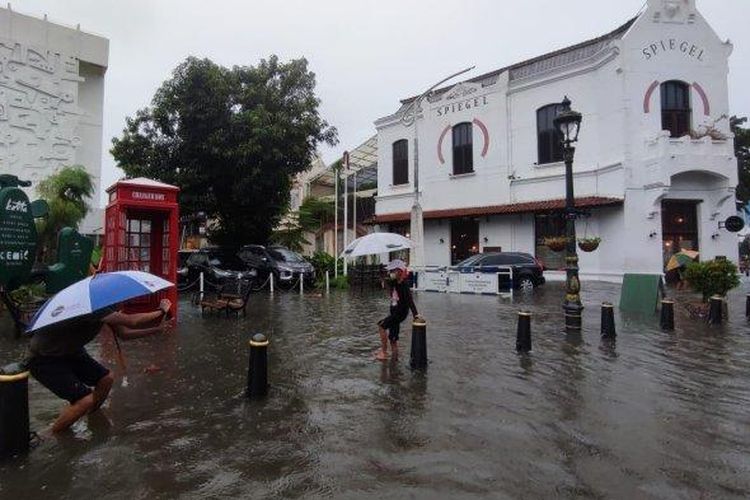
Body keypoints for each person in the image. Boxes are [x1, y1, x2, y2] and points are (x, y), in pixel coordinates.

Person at [27, 299, 173, 433]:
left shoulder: (108, 308)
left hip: (70, 352)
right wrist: (161, 310)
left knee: (106, 379)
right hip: (44, 358)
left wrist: (156, 330)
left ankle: (88, 413)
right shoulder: (94, 306)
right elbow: (131, 321)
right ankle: (52, 435)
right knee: (84, 399)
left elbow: (124, 334)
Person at [376, 260, 421, 360]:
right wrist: (382, 273)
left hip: (399, 313)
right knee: (393, 338)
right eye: (390, 271)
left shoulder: (404, 285)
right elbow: (387, 284)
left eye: (393, 270)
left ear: (399, 271)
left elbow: (410, 301)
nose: (391, 273)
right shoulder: (394, 282)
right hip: (394, 312)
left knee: (381, 326)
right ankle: (394, 361)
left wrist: (416, 315)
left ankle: (384, 352)